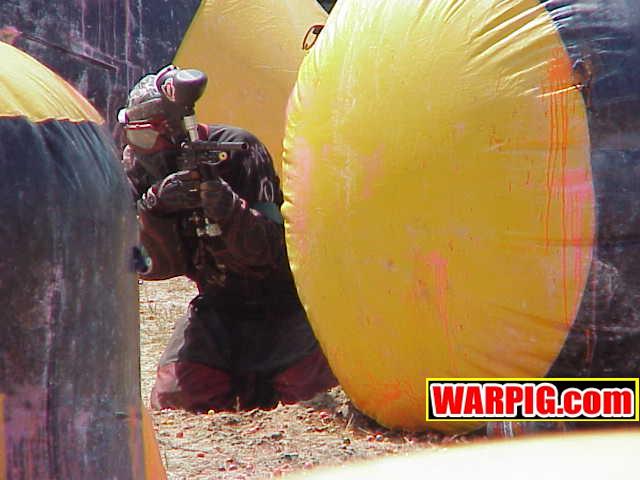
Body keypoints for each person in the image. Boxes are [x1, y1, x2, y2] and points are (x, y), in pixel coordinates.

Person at [119, 65, 337, 412]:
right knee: (178, 396)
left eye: (146, 138)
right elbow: (144, 265)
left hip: (283, 306)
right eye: (133, 137)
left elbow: (274, 253)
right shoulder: (138, 167)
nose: (139, 150)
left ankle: (258, 385)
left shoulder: (239, 151)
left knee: (312, 388)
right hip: (217, 308)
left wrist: (230, 211)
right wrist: (153, 209)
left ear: (174, 132)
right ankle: (249, 385)